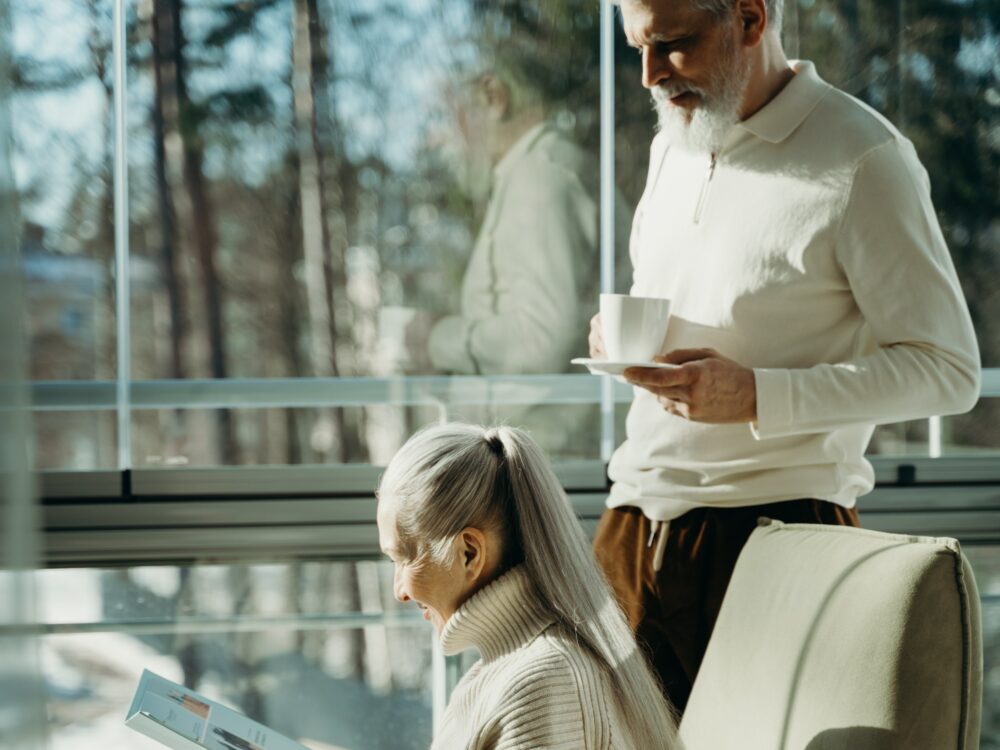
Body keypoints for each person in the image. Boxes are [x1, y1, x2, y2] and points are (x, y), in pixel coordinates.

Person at [589, 0, 982, 714]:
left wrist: (759, 396)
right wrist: (614, 340)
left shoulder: (863, 155)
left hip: (772, 542)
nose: (648, 76)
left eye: (672, 45)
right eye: (636, 48)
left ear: (749, 17)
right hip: (627, 530)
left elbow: (949, 370)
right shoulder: (671, 144)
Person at [376, 423, 680, 750]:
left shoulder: (538, 686)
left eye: (403, 559)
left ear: (469, 553)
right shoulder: (499, 677)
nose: (400, 591)